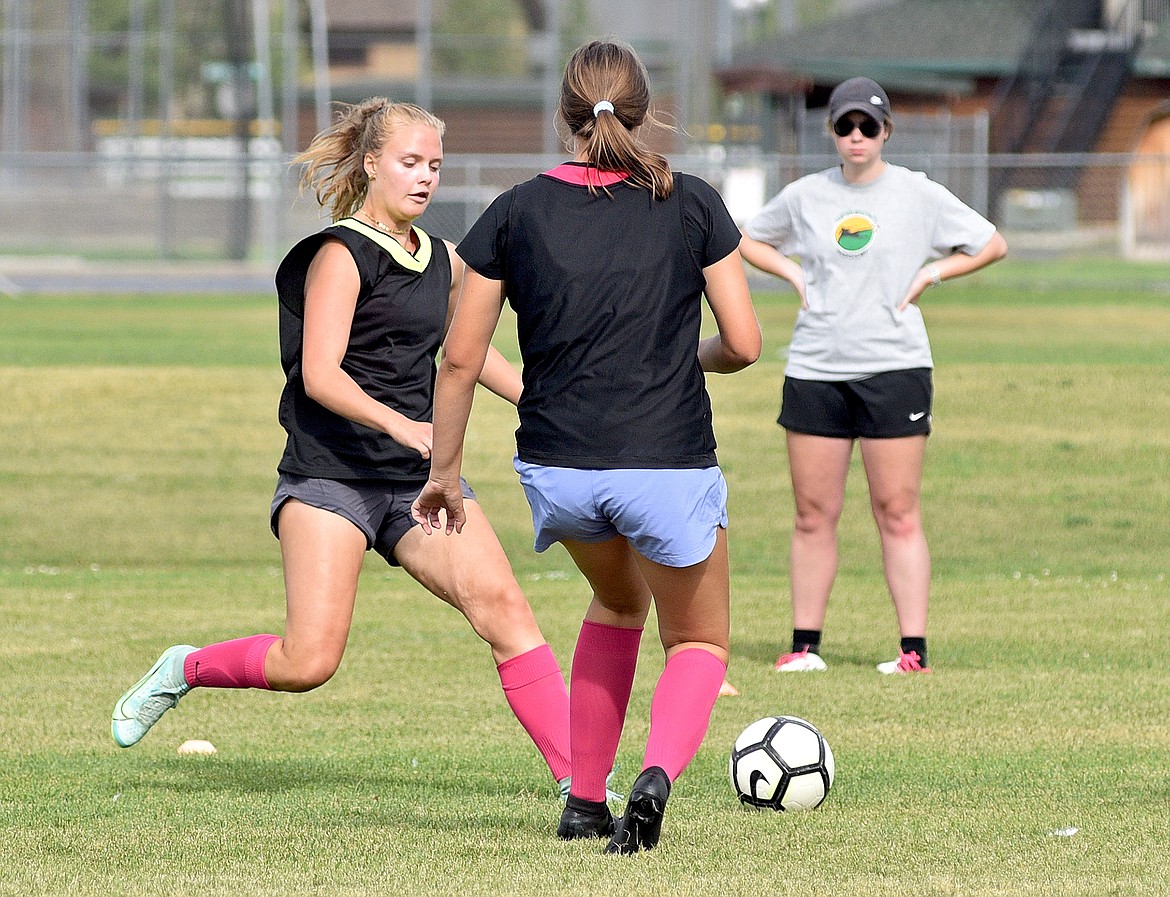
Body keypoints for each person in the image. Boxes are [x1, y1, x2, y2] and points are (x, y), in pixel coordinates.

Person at [110, 98, 576, 797]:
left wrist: (544, 403)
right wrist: (402, 423)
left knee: (507, 612)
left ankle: (582, 785)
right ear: (371, 165)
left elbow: (468, 351)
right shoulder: (340, 254)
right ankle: (185, 667)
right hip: (329, 478)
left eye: (435, 166)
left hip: (415, 483)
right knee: (309, 661)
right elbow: (320, 374)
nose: (424, 178)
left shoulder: (440, 259)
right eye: (410, 163)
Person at [412, 40, 761, 855]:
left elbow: (459, 358)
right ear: (644, 109)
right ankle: (657, 776)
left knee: (615, 601)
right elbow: (742, 343)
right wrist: (690, 357)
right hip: (665, 463)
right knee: (700, 639)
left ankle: (583, 800)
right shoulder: (692, 200)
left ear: (565, 116)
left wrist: (445, 477)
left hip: (560, 472)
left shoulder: (513, 209)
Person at [739, 77, 1008, 676]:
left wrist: (931, 275)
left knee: (898, 509)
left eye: (868, 126)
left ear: (887, 131)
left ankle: (912, 652)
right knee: (813, 512)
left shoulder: (918, 194)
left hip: (895, 368)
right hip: (816, 369)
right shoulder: (806, 196)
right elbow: (746, 240)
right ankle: (805, 646)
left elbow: (991, 244)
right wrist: (792, 274)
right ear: (831, 132)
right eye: (845, 126)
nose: (856, 137)